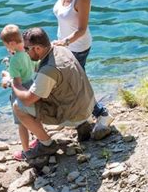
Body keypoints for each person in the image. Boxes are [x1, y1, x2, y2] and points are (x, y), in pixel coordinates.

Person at [7, 27, 95, 159]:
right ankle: (83, 124)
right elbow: (39, 67)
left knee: (18, 106)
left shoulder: (49, 70)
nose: (24, 52)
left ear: (37, 48)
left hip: (76, 114)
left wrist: (14, 82)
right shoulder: (61, 49)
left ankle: (46, 144)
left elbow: (27, 100)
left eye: (26, 49)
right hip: (88, 105)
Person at [49, 0, 113, 140]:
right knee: (74, 84)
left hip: (77, 46)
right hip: (64, 45)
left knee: (77, 85)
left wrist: (65, 42)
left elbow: (82, 29)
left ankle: (101, 114)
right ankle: (82, 119)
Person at [0, 24, 38, 160]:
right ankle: (39, 140)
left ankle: (26, 151)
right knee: (33, 118)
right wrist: (15, 54)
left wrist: (5, 78)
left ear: (11, 43)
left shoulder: (15, 61)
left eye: (6, 45)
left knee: (22, 123)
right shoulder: (28, 52)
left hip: (20, 92)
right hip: (32, 86)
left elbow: (16, 82)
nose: (6, 48)